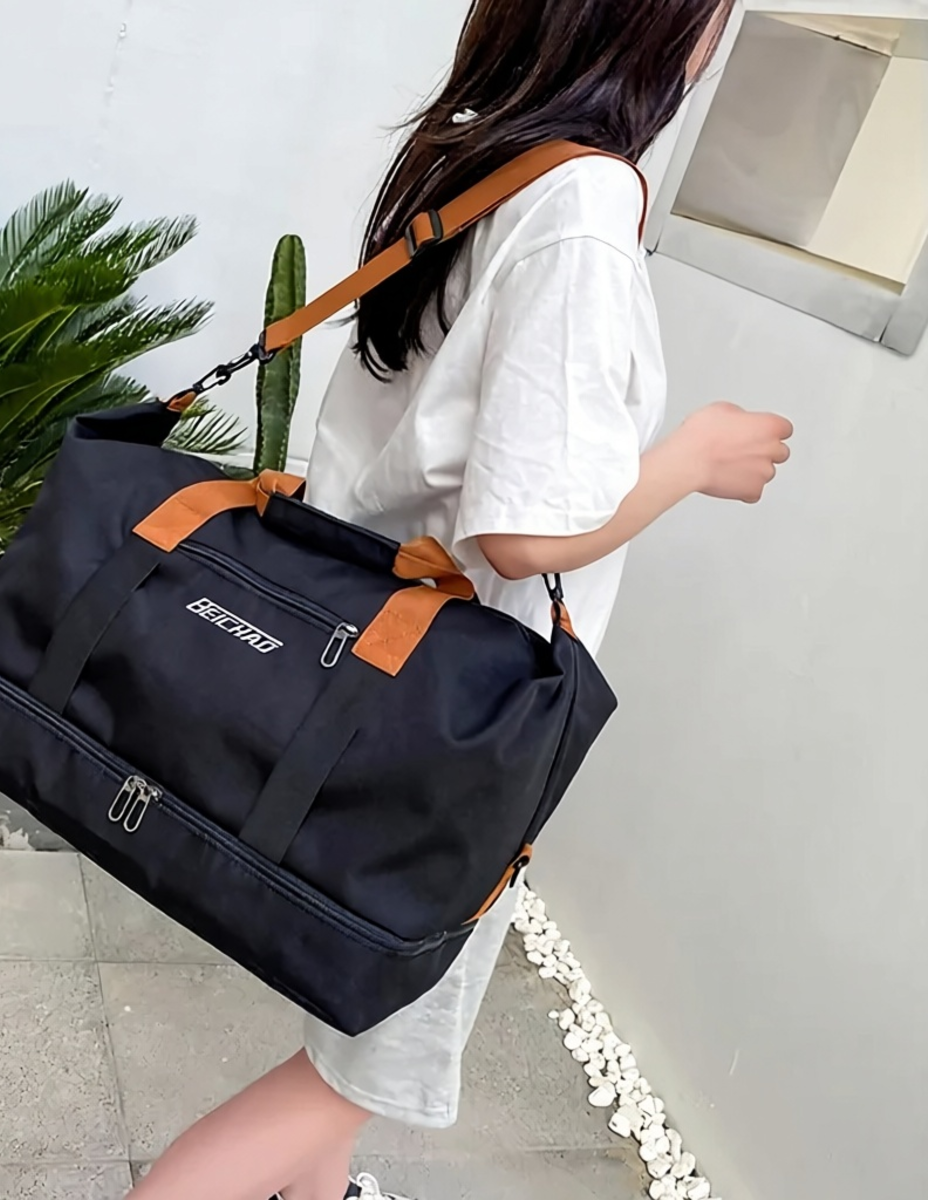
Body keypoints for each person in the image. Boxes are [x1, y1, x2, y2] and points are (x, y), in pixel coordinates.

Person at [129, 1, 791, 1198]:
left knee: (358, 1024)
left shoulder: (481, 150)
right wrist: (692, 459)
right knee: (355, 1068)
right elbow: (522, 534)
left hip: (366, 663)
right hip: (451, 715)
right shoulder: (585, 202)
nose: (718, 40)